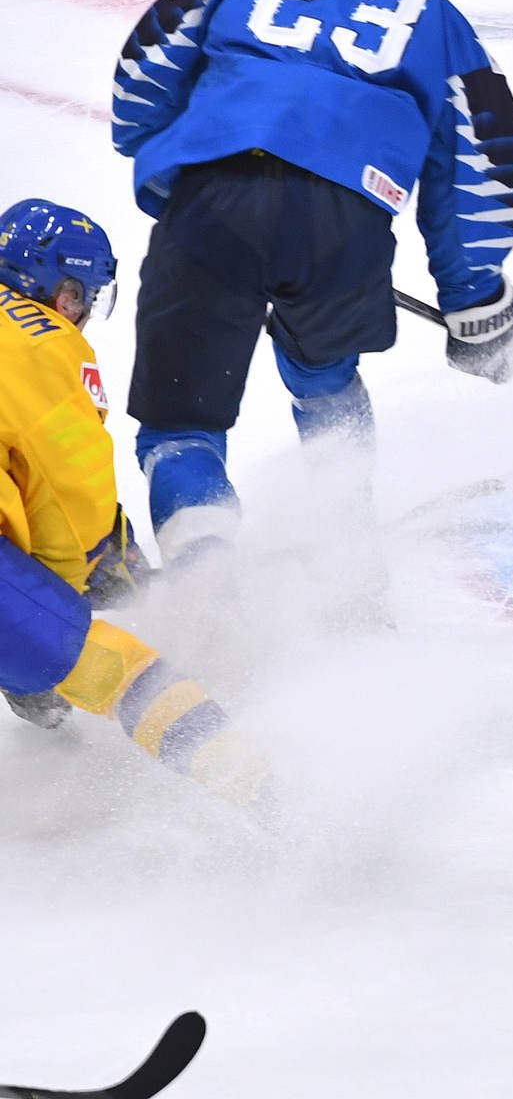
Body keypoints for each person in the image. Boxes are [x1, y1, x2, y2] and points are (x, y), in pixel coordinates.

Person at [109, 0, 513, 568]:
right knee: (324, 377)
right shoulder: (439, 17)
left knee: (181, 427)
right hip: (342, 221)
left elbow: (143, 75)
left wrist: (176, 168)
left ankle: (206, 594)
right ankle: (350, 572)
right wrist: (476, 302)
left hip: (210, 203)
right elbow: (484, 158)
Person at [1, 199, 268, 813]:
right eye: (82, 296)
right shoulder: (43, 342)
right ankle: (272, 796)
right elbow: (69, 498)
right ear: (58, 289)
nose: (85, 313)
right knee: (114, 668)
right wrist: (55, 630)